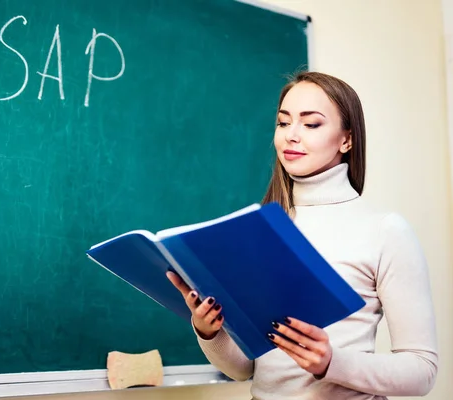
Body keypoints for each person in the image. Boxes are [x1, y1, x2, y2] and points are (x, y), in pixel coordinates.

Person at [166, 71, 438, 399]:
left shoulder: (384, 231)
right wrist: (209, 332)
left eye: (311, 124)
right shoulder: (264, 227)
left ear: (347, 139)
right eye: (283, 123)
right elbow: (244, 370)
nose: (291, 136)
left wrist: (332, 362)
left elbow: (422, 371)